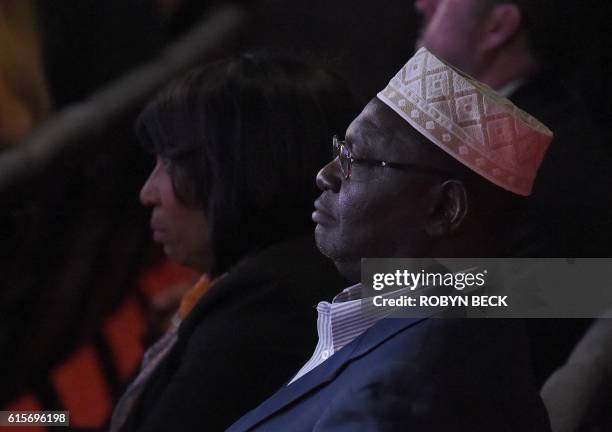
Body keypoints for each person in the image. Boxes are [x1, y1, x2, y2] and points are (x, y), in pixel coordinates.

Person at [228, 47, 553, 431]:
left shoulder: (408, 383)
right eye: (340, 149)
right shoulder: (428, 335)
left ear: (444, 209)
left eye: (356, 158)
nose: (325, 174)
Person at [110, 51, 356, 432]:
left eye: (169, 164)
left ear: (240, 170)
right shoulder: (331, 267)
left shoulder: (260, 315)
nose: (148, 192)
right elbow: (477, 285)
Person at [414, 0, 606, 383]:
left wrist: (381, 288)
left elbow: (557, 299)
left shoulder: (548, 158)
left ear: (498, 27)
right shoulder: (529, 133)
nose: (423, 5)